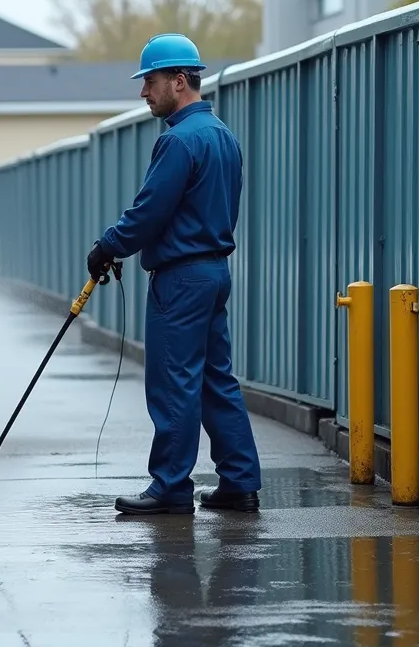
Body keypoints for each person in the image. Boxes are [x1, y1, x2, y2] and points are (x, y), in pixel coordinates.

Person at [86, 33, 263, 516]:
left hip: (180, 279)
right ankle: (240, 482)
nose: (144, 92)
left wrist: (108, 246)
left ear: (178, 81)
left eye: (150, 82)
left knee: (174, 384)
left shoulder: (178, 140)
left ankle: (170, 487)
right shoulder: (223, 136)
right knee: (214, 380)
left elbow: (150, 212)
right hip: (212, 272)